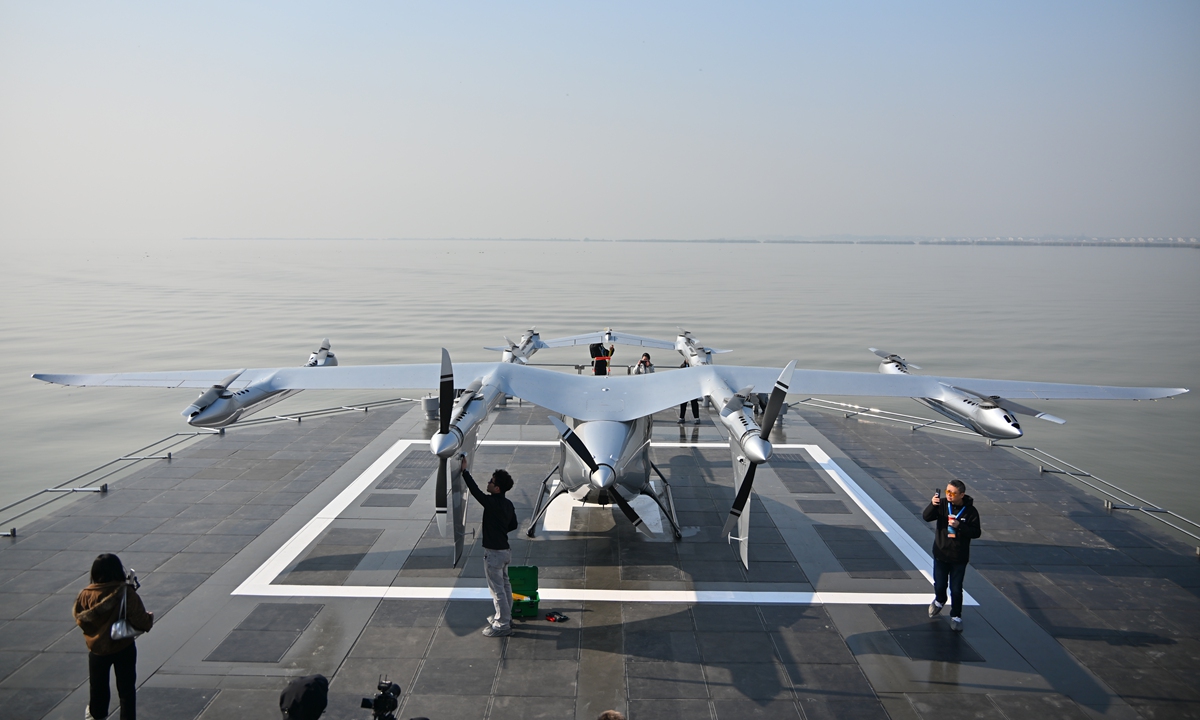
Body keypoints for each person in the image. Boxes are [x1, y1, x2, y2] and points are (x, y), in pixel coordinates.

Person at [74, 553, 154, 720]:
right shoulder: (125, 592)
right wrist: (149, 617)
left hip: (97, 650)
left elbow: (81, 620)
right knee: (126, 691)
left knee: (98, 689)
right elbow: (142, 621)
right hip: (123, 647)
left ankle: (97, 716)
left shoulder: (86, 594)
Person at [461, 456, 519, 637]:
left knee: (497, 590)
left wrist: (465, 472)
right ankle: (507, 617)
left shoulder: (492, 503)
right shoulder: (508, 504)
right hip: (505, 551)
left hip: (494, 554)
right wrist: (500, 529)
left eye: (491, 482)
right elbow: (514, 525)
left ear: (497, 488)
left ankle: (502, 625)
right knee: (505, 586)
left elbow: (475, 492)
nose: (488, 483)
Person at [922, 479, 981, 632]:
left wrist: (959, 526)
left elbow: (976, 532)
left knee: (956, 588)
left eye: (953, 493)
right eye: (947, 491)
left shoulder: (970, 511)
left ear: (962, 494)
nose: (949, 495)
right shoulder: (942, 504)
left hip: (959, 557)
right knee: (940, 584)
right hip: (941, 553)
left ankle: (956, 615)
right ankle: (940, 600)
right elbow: (926, 517)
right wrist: (932, 504)